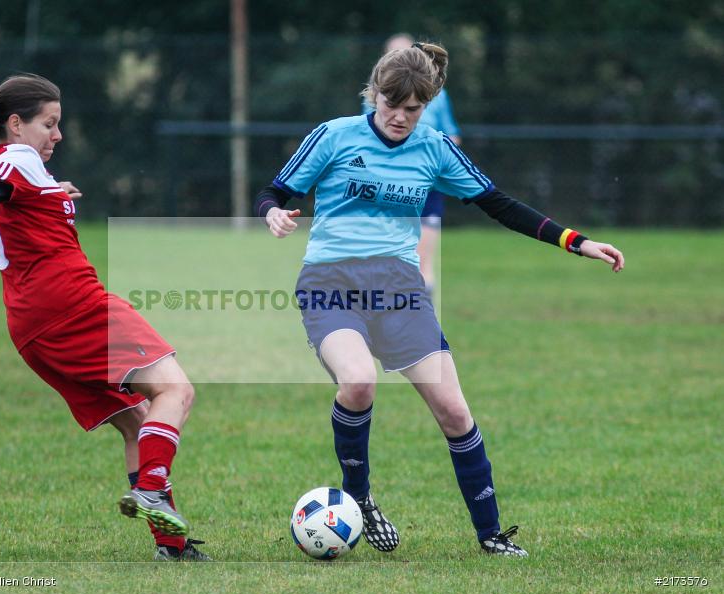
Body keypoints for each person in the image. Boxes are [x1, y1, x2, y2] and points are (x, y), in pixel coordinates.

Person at [255, 43, 624, 556]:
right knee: (358, 381)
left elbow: (500, 205)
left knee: (454, 411)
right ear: (374, 93)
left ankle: (492, 536)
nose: (401, 117)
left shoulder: (434, 148)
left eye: (414, 108)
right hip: (330, 282)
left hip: (401, 288)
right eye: (392, 104)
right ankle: (358, 498)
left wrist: (576, 241)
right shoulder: (334, 135)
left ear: (427, 104)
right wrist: (272, 213)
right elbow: (274, 192)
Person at [0, 73, 210, 561]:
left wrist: (54, 193)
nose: (58, 135)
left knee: (137, 422)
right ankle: (152, 489)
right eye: (49, 124)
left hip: (31, 329)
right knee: (176, 391)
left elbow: (4, 194)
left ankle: (172, 547)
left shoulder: (15, 171)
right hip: (72, 305)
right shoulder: (17, 159)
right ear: (16, 124)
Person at [364, 32, 462, 293]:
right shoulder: (376, 96)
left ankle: (422, 311)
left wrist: (433, 161)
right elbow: (367, 140)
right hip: (388, 189)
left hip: (426, 189)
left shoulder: (437, 96)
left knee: (421, 261)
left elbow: (452, 136)